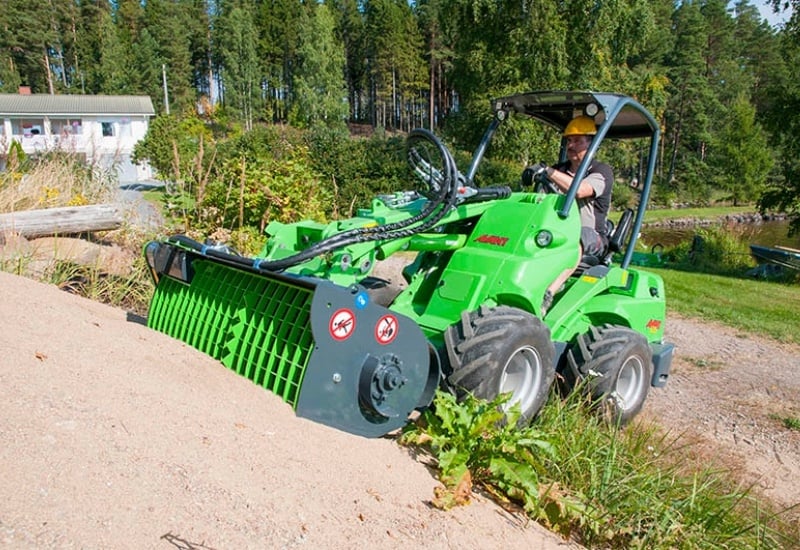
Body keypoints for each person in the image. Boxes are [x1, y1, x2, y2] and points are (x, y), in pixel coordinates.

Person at [529, 115, 613, 316]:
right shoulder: (560, 170)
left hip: (594, 238)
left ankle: (548, 293)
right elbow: (539, 201)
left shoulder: (601, 171)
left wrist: (547, 171)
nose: (571, 145)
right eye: (569, 141)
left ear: (591, 143)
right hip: (555, 234)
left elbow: (579, 190)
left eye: (577, 140)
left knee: (579, 237)